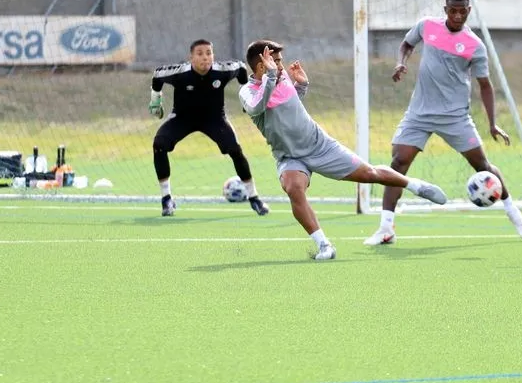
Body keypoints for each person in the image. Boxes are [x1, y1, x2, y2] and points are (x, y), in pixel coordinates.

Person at [239, 40, 448, 261]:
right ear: (261, 65)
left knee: (370, 174)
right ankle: (324, 246)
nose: (281, 66)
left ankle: (417, 186)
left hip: (320, 146)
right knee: (293, 188)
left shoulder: (280, 79)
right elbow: (257, 107)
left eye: (280, 61)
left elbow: (288, 109)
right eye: (276, 61)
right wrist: (272, 77)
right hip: (289, 156)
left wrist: (301, 86)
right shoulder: (248, 91)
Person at [364, 0, 522, 246]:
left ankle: (513, 212)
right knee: (398, 162)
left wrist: (492, 124)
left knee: (482, 167)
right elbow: (407, 44)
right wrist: (401, 62)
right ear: (445, 9)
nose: (457, 16)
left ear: (469, 11)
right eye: (452, 11)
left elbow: (485, 85)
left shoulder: (475, 46)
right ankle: (386, 228)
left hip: (455, 116)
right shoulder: (427, 26)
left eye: (462, 12)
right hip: (419, 112)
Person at [150, 39, 269, 218]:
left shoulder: (223, 71)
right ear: (191, 57)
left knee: (235, 149)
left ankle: (254, 198)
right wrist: (155, 101)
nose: (205, 58)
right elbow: (158, 76)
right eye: (200, 54)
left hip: (214, 119)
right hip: (182, 118)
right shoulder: (180, 73)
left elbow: (241, 69)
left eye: (209, 53)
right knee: (159, 144)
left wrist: (247, 97)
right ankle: (166, 199)